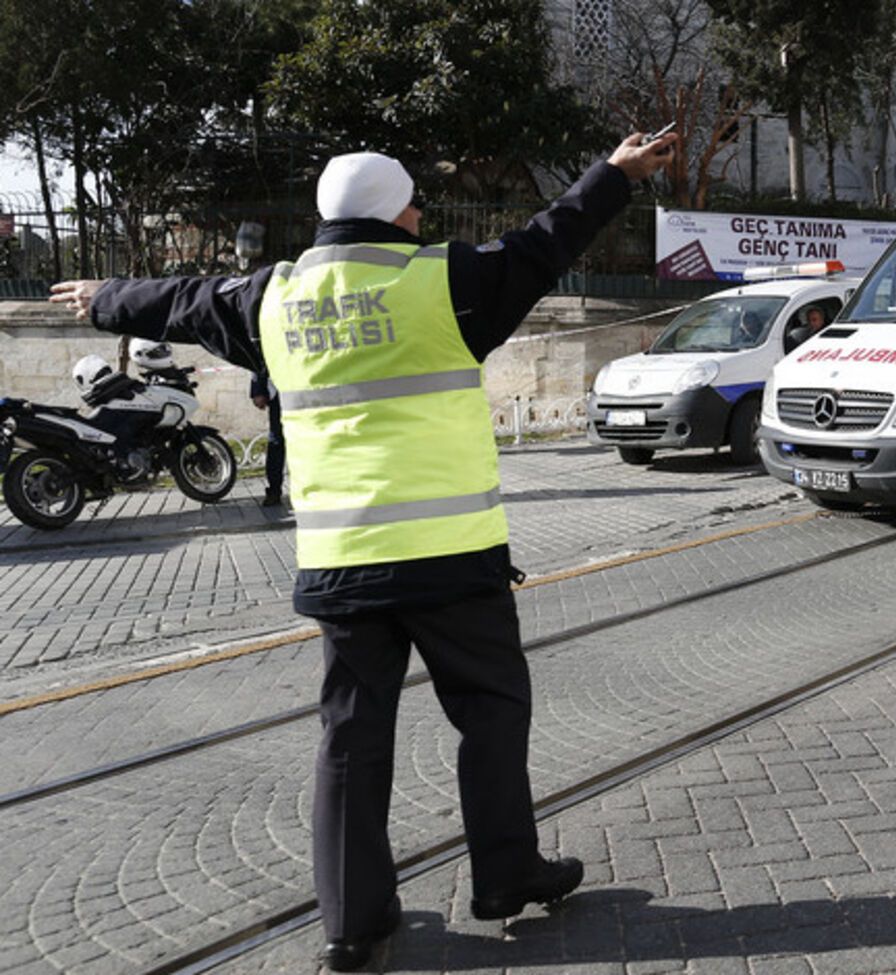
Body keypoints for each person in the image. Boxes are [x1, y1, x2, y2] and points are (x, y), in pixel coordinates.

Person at [50, 129, 677, 971]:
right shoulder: (448, 279)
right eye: (415, 199)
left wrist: (102, 298)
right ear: (393, 210)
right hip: (453, 556)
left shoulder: (271, 296)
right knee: (490, 713)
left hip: (342, 562)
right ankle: (505, 875)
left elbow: (183, 299)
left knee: (350, 736)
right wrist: (616, 173)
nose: (422, 211)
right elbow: (550, 237)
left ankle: (352, 919)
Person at [249, 370, 285, 507]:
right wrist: (258, 390)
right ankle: (274, 491)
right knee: (277, 440)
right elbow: (258, 361)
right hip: (281, 393)